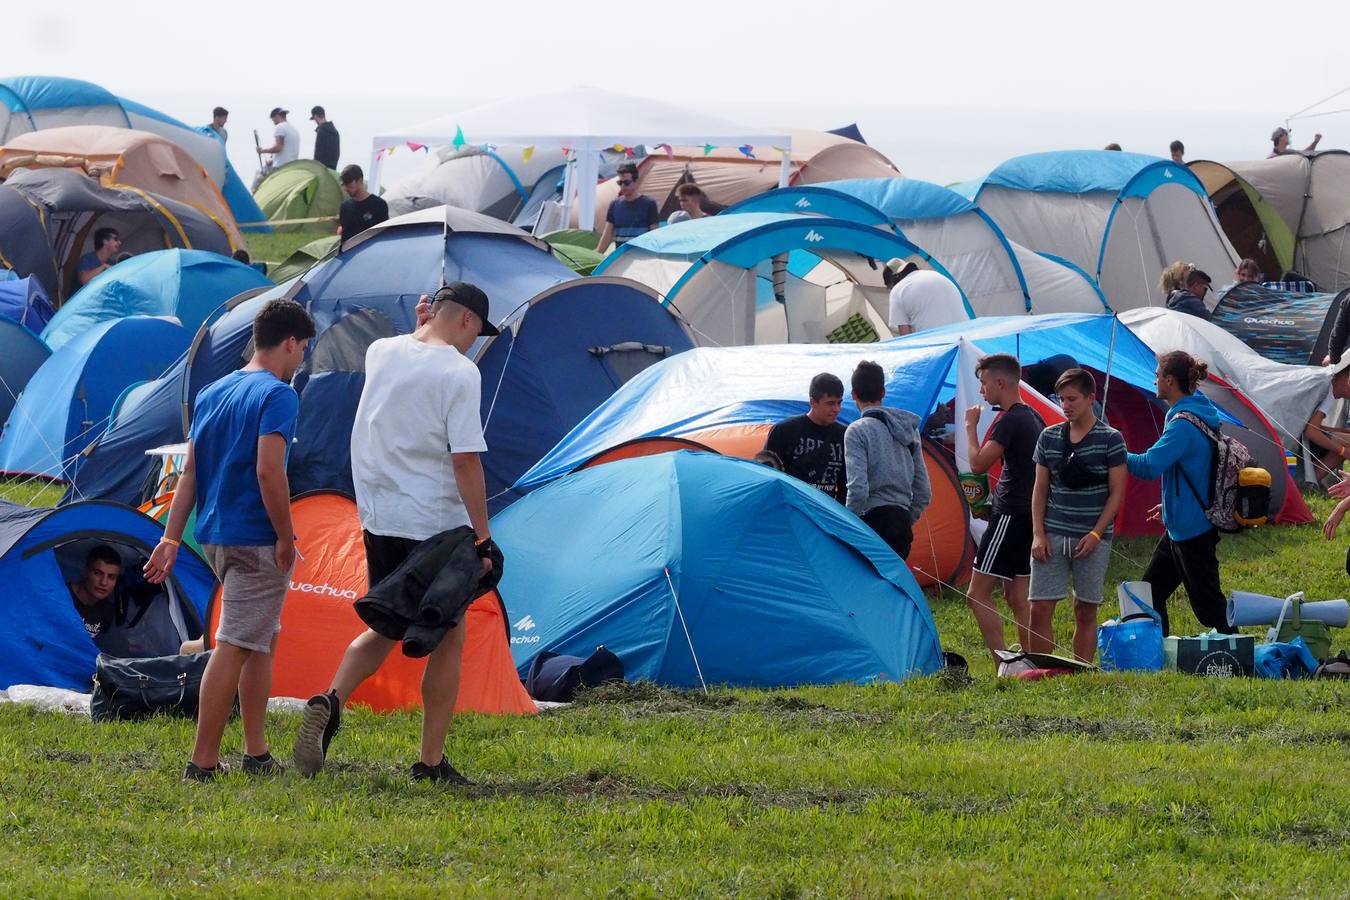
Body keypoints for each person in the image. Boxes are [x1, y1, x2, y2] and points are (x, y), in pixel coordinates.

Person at [292, 282, 500, 784]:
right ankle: (430, 762)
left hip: (380, 517)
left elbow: (414, 349)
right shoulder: (460, 372)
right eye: (477, 332)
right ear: (467, 320)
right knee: (449, 635)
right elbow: (466, 459)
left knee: (386, 624)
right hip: (436, 524)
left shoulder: (382, 351)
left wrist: (423, 325)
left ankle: (331, 698)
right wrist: (482, 535)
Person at [144, 298, 315, 781]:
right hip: (255, 535)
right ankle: (202, 761)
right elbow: (269, 471)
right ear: (289, 343)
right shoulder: (279, 395)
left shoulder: (213, 390)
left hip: (214, 533)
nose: (301, 357)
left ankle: (256, 751)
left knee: (260, 639)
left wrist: (172, 539)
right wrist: (286, 534)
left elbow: (191, 471)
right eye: (303, 347)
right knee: (234, 645)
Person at [1125, 350, 1233, 636]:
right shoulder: (1197, 411)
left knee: (1210, 609)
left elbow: (1149, 466)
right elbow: (1193, 468)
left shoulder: (1184, 424)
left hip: (1192, 529)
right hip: (1181, 523)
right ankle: (1157, 654)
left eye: (1157, 375)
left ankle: (1240, 652)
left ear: (1170, 380)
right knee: (1150, 592)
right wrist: (1170, 504)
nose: (1155, 380)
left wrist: (1114, 452)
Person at [1029, 369, 1128, 662]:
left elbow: (1117, 494)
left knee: (1085, 608)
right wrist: (1038, 533)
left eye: (1072, 399)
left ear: (1090, 398)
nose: (1066, 405)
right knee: (1040, 606)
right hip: (1053, 531)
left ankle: (1081, 670)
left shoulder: (1111, 439)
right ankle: (1039, 670)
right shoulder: (1048, 437)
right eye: (1061, 399)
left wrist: (1097, 533)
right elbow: (1040, 489)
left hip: (1092, 535)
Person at [964, 353, 1043, 657]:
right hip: (1028, 515)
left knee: (976, 593)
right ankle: (1030, 658)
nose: (982, 391)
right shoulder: (1033, 415)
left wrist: (971, 427)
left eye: (984, 383)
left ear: (1000, 382)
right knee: (1017, 596)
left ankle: (1002, 660)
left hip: (1010, 515)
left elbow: (978, 463)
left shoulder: (1009, 420)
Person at [844, 361, 930, 559]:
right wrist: (907, 519)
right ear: (883, 392)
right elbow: (924, 490)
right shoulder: (909, 429)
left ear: (853, 394)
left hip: (871, 522)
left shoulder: (857, 431)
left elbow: (858, 489)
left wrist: (849, 524)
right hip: (901, 523)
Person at [764, 373, 848, 503]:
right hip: (792, 508)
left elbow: (846, 484)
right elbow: (766, 474)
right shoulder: (785, 430)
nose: (837, 409)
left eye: (839, 403)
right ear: (813, 402)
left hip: (827, 512)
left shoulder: (844, 435)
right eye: (830, 403)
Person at [884, 258, 968, 336]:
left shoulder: (898, 289)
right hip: (968, 337)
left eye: (890, 287)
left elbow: (906, 336)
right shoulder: (936, 274)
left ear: (893, 280)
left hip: (940, 344)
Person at [1302, 357, 1350, 483]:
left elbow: (1312, 426)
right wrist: (1343, 451)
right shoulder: (1328, 390)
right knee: (1346, 445)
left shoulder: (1331, 392)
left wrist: (1341, 431)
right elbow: (1310, 432)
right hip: (1298, 444)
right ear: (1346, 378)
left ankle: (1312, 482)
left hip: (1301, 439)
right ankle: (1313, 481)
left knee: (1345, 442)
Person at [597, 163, 658, 252]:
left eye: (626, 183)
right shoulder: (614, 204)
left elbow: (654, 234)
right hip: (621, 257)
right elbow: (608, 234)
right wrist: (597, 256)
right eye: (620, 183)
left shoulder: (649, 204)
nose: (623, 186)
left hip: (642, 256)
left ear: (636, 181)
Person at [68, 545, 122, 642]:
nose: (103, 582)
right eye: (97, 573)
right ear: (85, 572)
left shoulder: (107, 611)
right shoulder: (62, 595)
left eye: (111, 577)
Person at [338, 165, 389, 240]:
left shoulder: (379, 205)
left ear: (360, 180)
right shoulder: (345, 207)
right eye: (344, 184)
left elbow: (384, 234)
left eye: (349, 183)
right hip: (350, 251)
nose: (346, 188)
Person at [310, 106, 340, 170]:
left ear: (315, 116)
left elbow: (318, 154)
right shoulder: (335, 132)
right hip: (332, 169)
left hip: (321, 169)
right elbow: (337, 153)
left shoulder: (321, 131)